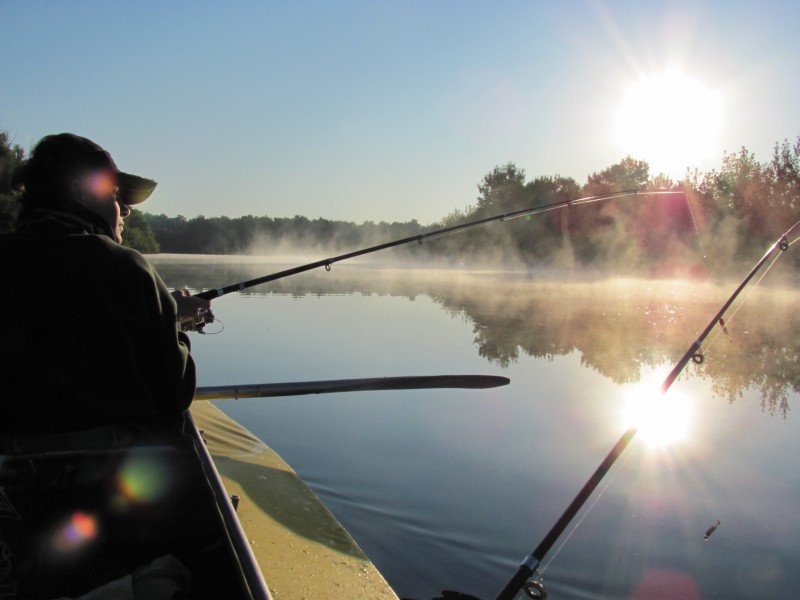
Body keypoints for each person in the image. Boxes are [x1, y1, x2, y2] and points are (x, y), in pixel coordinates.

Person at [0, 133, 209, 437]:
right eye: (115, 195)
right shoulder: (127, 267)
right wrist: (171, 321)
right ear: (80, 192)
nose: (126, 210)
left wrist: (166, 310)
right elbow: (173, 392)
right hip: (105, 470)